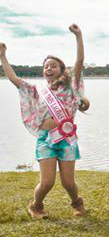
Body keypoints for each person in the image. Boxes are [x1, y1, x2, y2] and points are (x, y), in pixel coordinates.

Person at [0, 24, 88, 219]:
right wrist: (3, 57)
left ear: (62, 69)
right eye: (46, 66)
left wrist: (78, 36)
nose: (48, 69)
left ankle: (77, 203)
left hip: (66, 139)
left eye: (53, 66)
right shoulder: (36, 90)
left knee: (68, 182)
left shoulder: (71, 86)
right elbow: (14, 79)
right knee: (47, 182)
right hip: (45, 139)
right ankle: (36, 206)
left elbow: (80, 60)